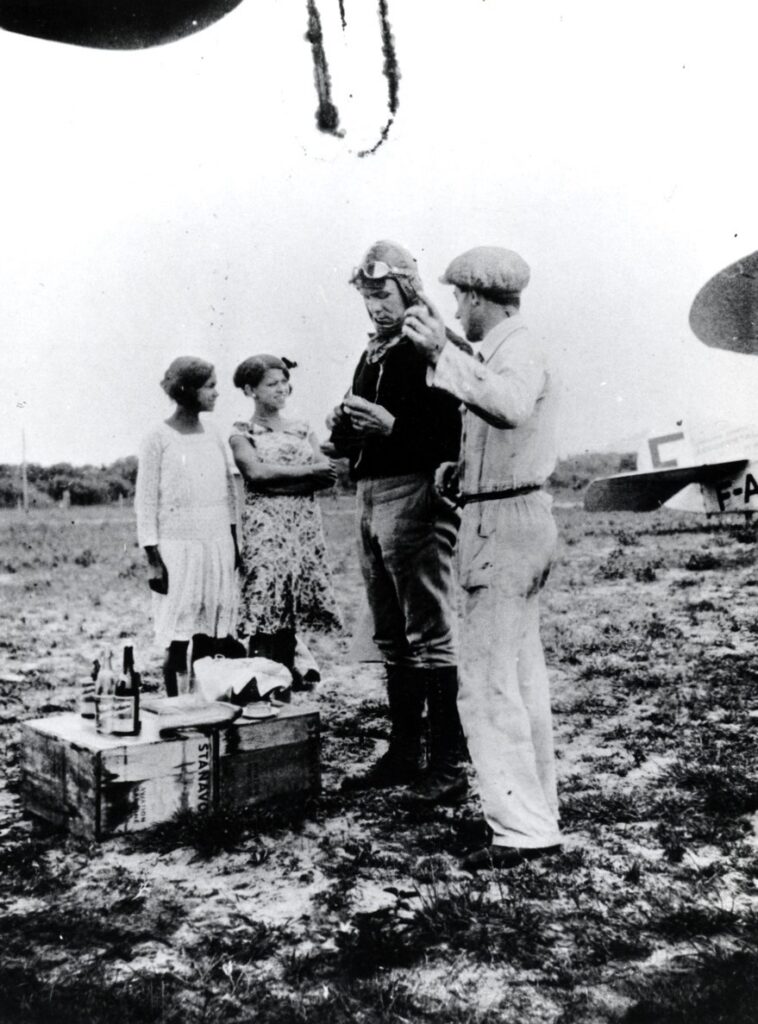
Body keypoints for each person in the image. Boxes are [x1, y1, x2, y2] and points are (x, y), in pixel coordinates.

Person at [402, 246, 562, 870]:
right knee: (519, 677)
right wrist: (464, 470)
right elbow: (506, 424)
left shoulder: (516, 351)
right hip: (511, 512)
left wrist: (439, 354)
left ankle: (520, 831)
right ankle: (534, 815)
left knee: (488, 684)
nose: (456, 310)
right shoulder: (507, 350)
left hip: (504, 526)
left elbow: (511, 406)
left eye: (458, 298)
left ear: (475, 297)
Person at [329, 240, 468, 803]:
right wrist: (342, 425)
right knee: (390, 633)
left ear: (408, 287)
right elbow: (353, 440)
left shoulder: (432, 343)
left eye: (383, 293)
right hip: (369, 494)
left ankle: (448, 766)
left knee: (429, 632)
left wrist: (391, 428)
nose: (375, 306)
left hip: (415, 493)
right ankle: (405, 753)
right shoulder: (375, 352)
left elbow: (459, 436)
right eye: (367, 296)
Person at [230, 355, 342, 676]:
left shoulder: (303, 429)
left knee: (290, 604)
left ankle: (285, 682)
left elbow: (326, 474)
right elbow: (256, 474)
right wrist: (305, 475)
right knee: (265, 600)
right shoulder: (242, 432)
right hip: (265, 528)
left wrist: (279, 481)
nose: (281, 389)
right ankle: (261, 683)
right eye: (272, 384)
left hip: (301, 528)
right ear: (250, 390)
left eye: (284, 382)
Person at [135, 357, 240, 696]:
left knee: (209, 633)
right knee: (178, 636)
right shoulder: (158, 437)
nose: (216, 393)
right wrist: (153, 559)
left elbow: (228, 491)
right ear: (187, 390)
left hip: (217, 544)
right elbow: (145, 501)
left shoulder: (215, 433)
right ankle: (176, 708)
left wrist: (233, 543)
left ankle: (204, 704)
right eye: (210, 386)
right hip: (177, 549)